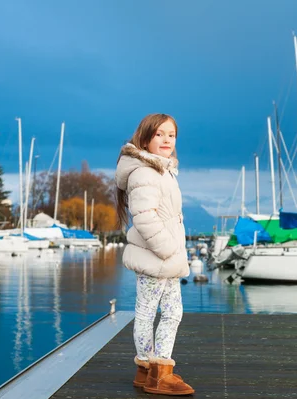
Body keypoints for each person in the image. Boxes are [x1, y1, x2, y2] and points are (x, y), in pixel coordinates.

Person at [115, 114, 194, 395]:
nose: (166, 140)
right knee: (157, 312)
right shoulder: (145, 172)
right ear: (145, 137)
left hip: (165, 258)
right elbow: (144, 217)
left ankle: (150, 370)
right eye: (159, 134)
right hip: (158, 256)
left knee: (163, 312)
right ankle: (159, 373)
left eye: (171, 135)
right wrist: (167, 249)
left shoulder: (162, 170)